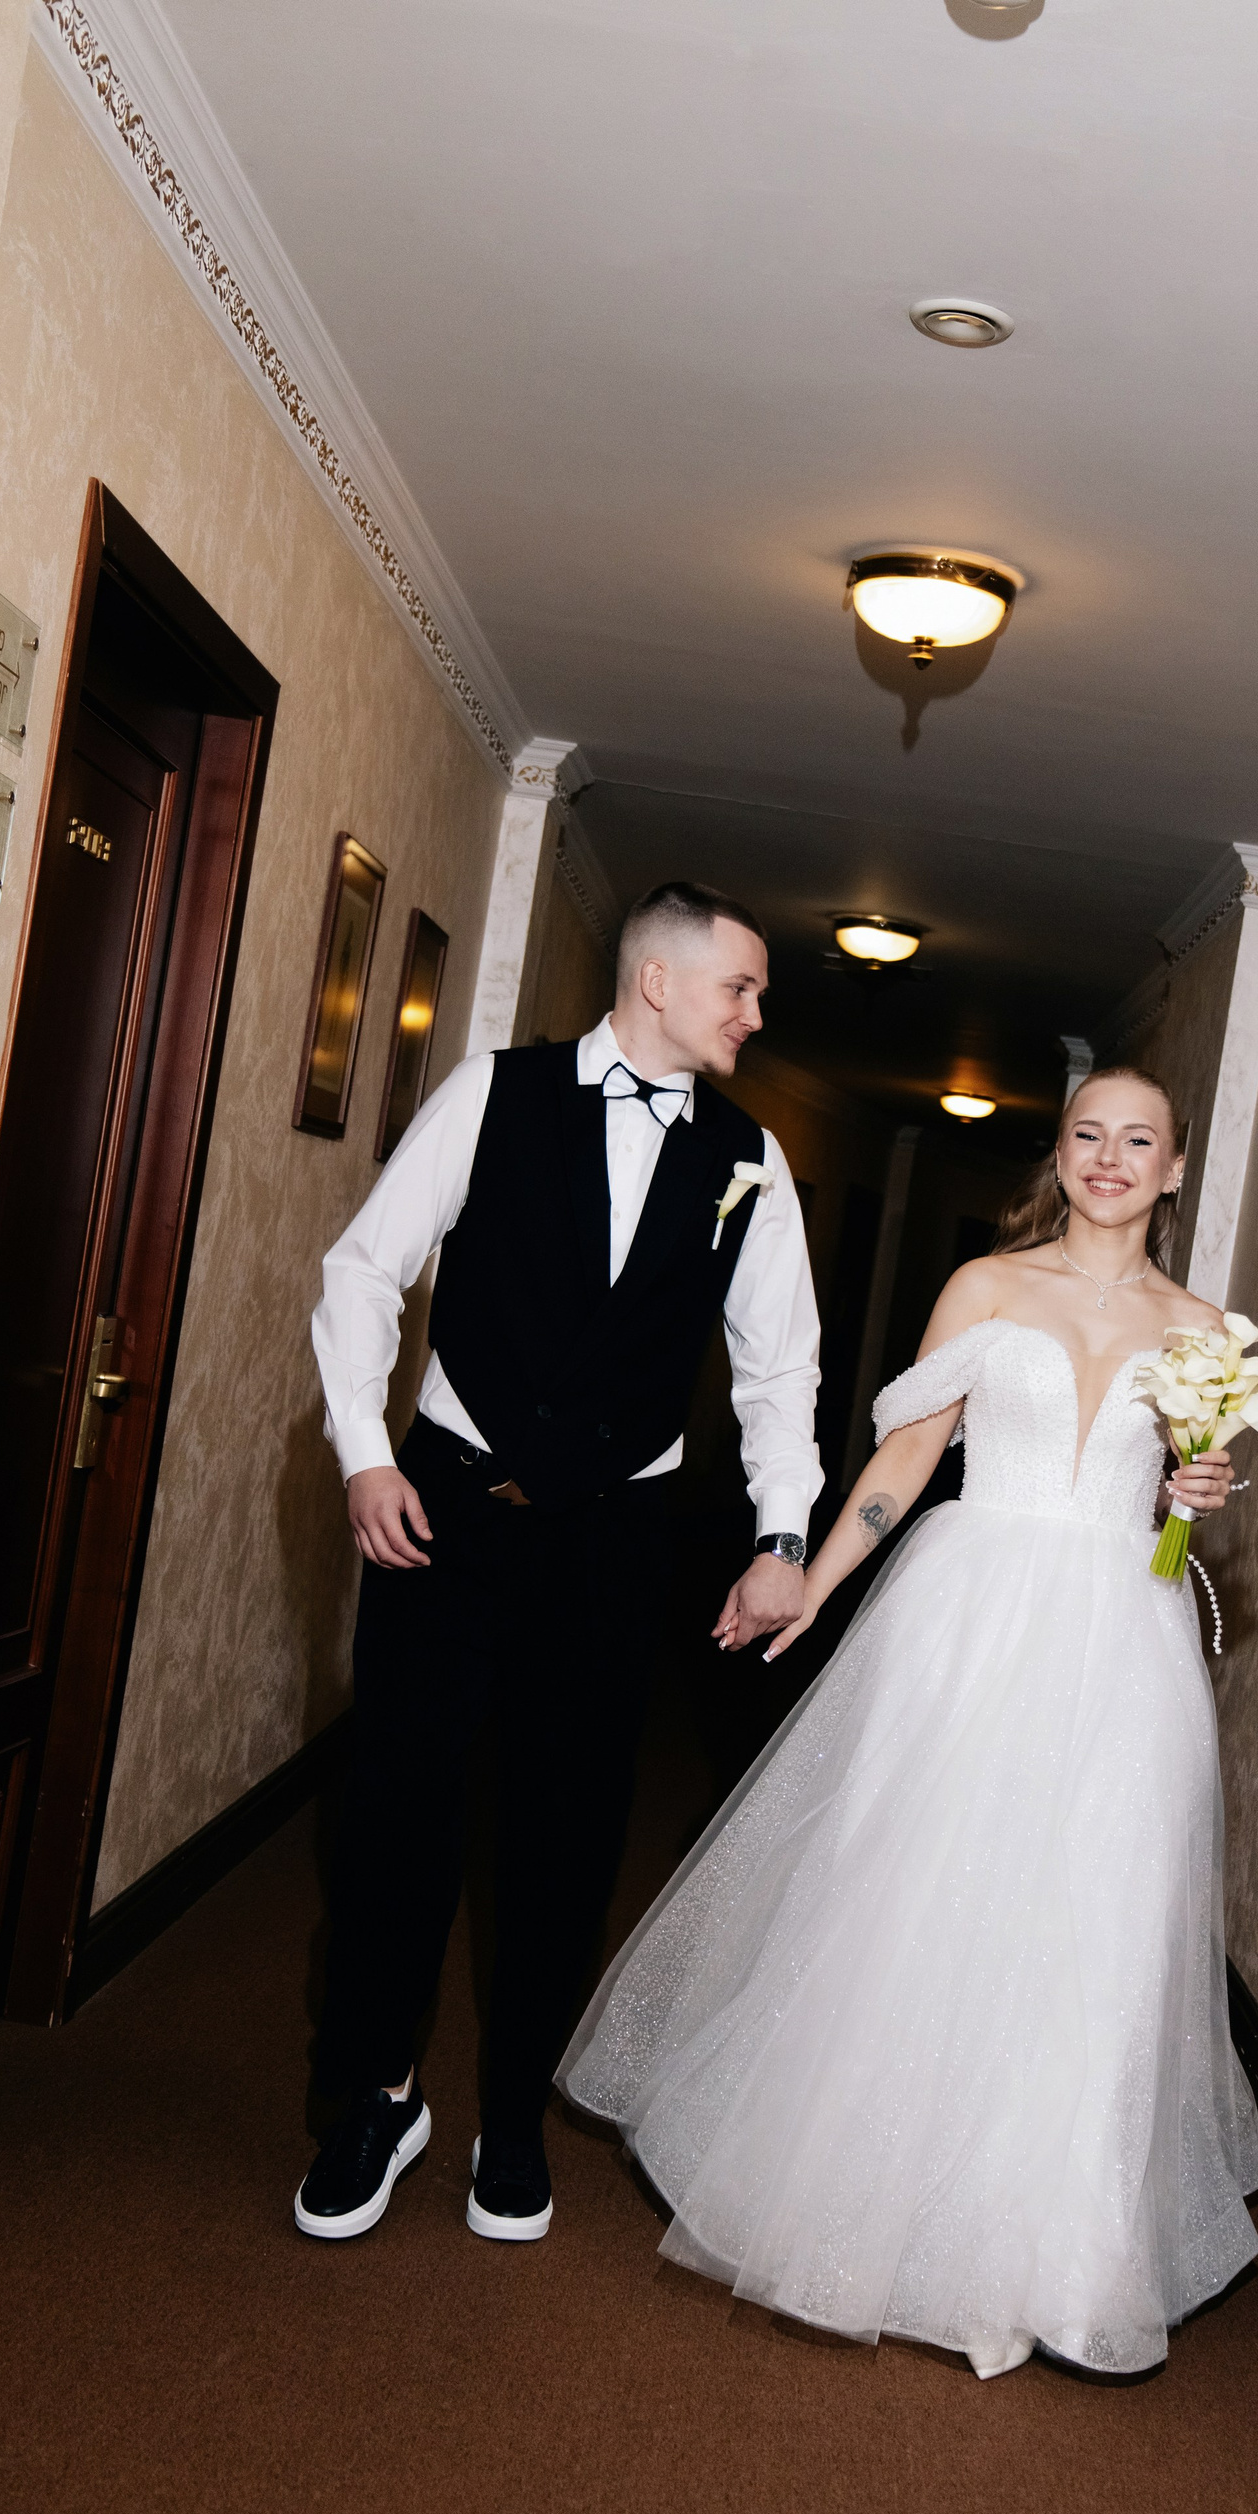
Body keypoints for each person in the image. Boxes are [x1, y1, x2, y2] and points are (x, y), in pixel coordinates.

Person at [561, 1065, 1258, 2378]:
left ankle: (1056, 2258)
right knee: (917, 1887)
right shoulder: (986, 1288)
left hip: (1124, 1640)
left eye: (1139, 1141)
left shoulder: (1205, 1331)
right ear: (1059, 1153)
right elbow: (908, 1454)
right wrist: (812, 1582)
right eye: (1088, 1134)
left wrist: (1195, 1492)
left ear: (1175, 1170)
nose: (1110, 1158)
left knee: (1097, 1921)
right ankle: (858, 2207)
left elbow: (1179, 1502)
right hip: (968, 1618)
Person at [296, 882, 822, 2243]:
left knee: (568, 1828)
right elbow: (366, 1269)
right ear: (659, 980)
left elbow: (780, 1373)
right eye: (740, 989)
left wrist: (781, 1538)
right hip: (443, 1514)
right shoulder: (495, 1092)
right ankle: (374, 2093)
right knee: (397, 1808)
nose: (755, 1016)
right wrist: (364, 1452)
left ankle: (513, 2112)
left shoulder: (752, 1163)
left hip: (612, 1538)